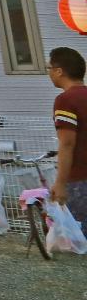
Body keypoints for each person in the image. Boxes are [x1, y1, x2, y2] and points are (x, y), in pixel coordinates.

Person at [50, 46, 87, 228]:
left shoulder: (65, 100)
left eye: (49, 68)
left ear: (59, 71)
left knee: (80, 238)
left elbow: (67, 143)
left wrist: (60, 183)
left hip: (80, 180)